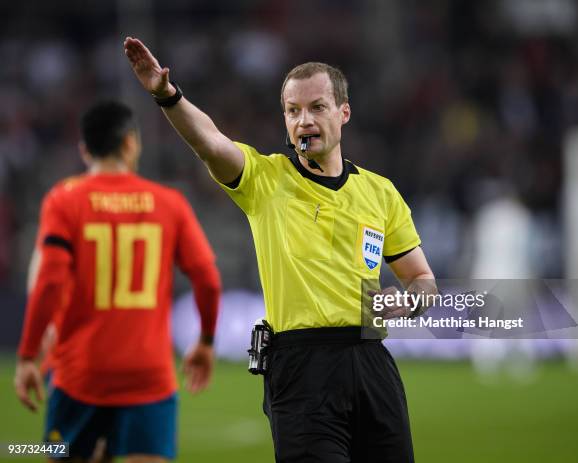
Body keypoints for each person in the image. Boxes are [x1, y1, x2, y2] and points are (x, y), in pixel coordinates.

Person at [124, 37, 436, 463]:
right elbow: (210, 143)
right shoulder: (265, 179)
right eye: (293, 111)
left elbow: (422, 281)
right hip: (301, 366)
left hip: (371, 363)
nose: (304, 120)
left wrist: (408, 301)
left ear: (343, 113)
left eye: (316, 107)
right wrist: (168, 96)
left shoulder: (380, 193)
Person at [14, 101, 222, 462]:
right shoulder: (169, 203)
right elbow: (207, 280)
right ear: (130, 143)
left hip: (80, 374)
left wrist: (29, 354)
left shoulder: (64, 200)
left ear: (84, 150)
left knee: (59, 452)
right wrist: (205, 341)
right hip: (149, 377)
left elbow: (48, 282)